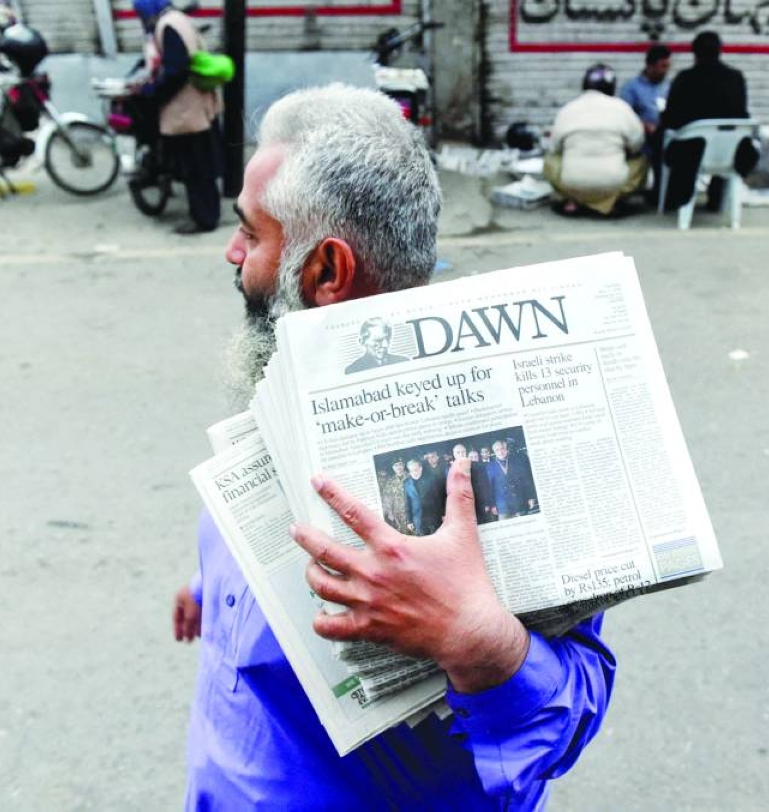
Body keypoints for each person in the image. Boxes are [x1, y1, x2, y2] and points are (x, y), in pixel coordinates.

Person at [172, 84, 614, 810]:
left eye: (251, 233)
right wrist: (208, 589)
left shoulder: (489, 442)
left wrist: (479, 642)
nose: (231, 252)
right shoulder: (280, 366)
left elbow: (566, 713)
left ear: (325, 272)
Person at [133, 0, 222, 234]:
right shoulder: (178, 19)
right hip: (196, 104)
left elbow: (176, 69)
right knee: (200, 164)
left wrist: (152, 92)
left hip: (185, 109)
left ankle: (204, 219)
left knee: (195, 167)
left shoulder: (167, 25)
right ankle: (206, 213)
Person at [660, 31, 751, 211]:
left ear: (694, 53)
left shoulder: (685, 79)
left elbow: (671, 119)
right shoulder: (736, 78)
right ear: (720, 52)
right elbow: (742, 114)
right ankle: (716, 198)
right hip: (728, 153)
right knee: (723, 138)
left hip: (689, 154)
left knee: (665, 139)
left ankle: (670, 198)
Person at [544, 64, 646, 217]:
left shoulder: (568, 109)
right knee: (642, 161)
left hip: (573, 183)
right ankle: (611, 203)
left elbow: (554, 148)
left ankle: (574, 201)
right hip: (613, 184)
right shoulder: (622, 108)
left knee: (550, 160)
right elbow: (637, 145)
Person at [619, 44, 672, 149]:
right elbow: (624, 116)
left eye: (668, 66)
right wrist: (644, 125)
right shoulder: (631, 88)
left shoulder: (669, 86)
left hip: (666, 145)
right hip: (642, 146)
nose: (666, 71)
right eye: (663, 66)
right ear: (650, 66)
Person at [486, 440, 537, 520]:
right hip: (502, 507)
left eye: (502, 448)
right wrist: (492, 505)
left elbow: (526, 481)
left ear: (507, 449)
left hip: (519, 502)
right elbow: (489, 488)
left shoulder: (517, 462)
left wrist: (531, 497)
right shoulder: (489, 467)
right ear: (494, 452)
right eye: (497, 450)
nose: (500, 451)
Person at [344, 317, 409, 373]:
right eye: (378, 340)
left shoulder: (404, 361)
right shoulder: (352, 370)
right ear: (362, 342)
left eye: (387, 339)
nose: (385, 345)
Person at [403, 458, 444, 535]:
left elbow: (438, 498)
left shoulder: (431, 479)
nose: (414, 473)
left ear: (421, 468)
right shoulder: (407, 483)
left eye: (416, 470)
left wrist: (443, 514)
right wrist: (409, 521)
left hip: (433, 518)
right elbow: (407, 503)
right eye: (411, 471)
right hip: (418, 521)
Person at [379, 458, 408, 532]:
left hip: (414, 512)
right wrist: (390, 513)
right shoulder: (390, 482)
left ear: (403, 465)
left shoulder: (411, 476)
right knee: (403, 534)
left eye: (400, 464)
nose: (398, 467)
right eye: (396, 465)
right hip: (399, 514)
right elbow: (387, 499)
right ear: (393, 468)